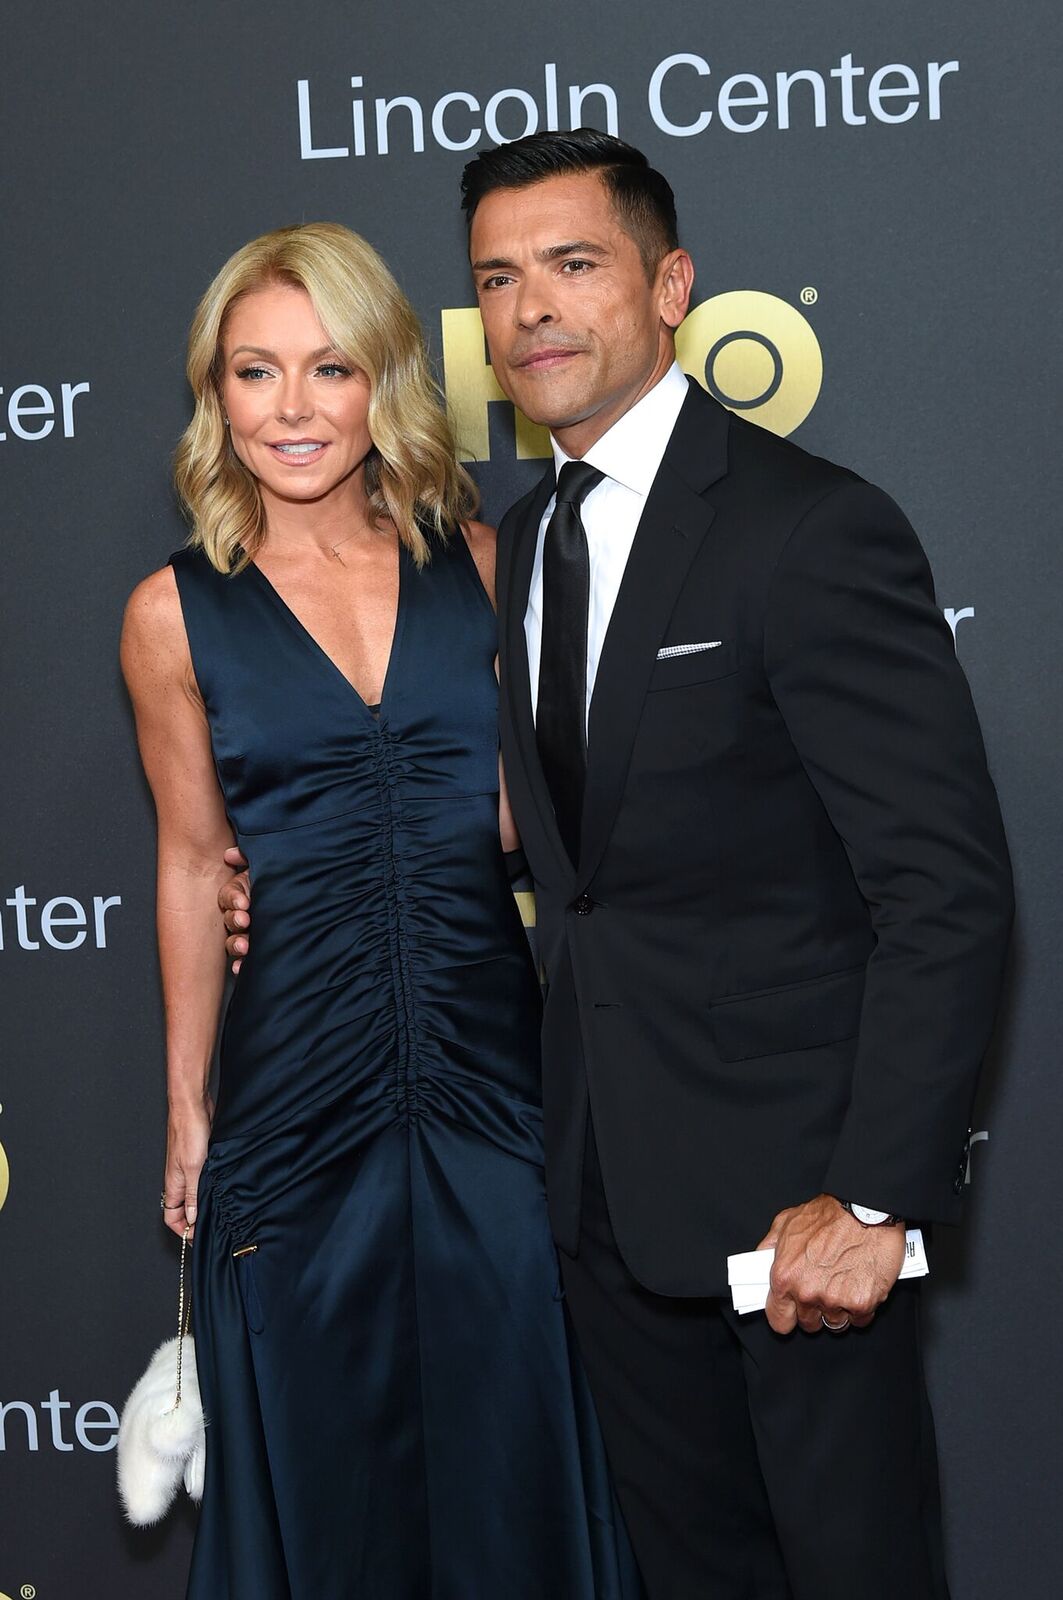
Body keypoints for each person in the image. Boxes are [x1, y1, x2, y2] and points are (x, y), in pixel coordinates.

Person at [222, 136, 1014, 1598]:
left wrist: (875, 1199)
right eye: (500, 280)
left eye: (575, 265)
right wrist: (284, 863)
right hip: (592, 1206)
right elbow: (543, 837)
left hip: (796, 1220)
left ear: (671, 284)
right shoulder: (514, 551)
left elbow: (946, 888)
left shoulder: (809, 528)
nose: (535, 310)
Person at [121, 221, 641, 1600]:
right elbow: (189, 861)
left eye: (331, 368)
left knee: (520, 1428)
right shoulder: (174, 616)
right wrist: (188, 1105)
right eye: (254, 372)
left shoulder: (482, 565)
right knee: (321, 1444)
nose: (293, 409)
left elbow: (533, 823)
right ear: (214, 394)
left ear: (386, 384)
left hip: (494, 1075)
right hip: (296, 1090)